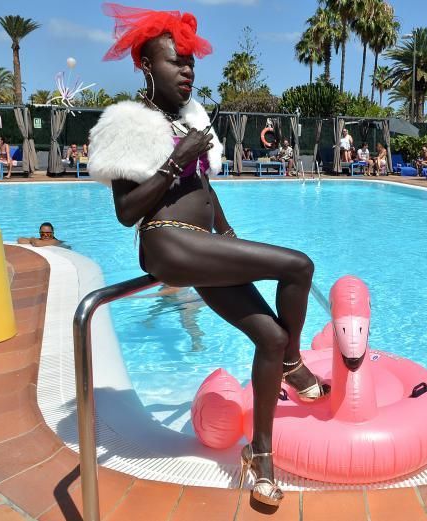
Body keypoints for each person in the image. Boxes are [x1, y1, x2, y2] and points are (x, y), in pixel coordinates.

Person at [89, 5, 326, 507]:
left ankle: (260, 456)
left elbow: (204, 189)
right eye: (176, 62)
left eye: (191, 63)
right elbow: (127, 213)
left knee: (270, 333)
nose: (187, 71)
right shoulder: (127, 123)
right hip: (167, 243)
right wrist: (176, 159)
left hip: (205, 246)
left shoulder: (191, 118)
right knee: (298, 264)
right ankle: (294, 364)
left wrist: (228, 234)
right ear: (147, 67)